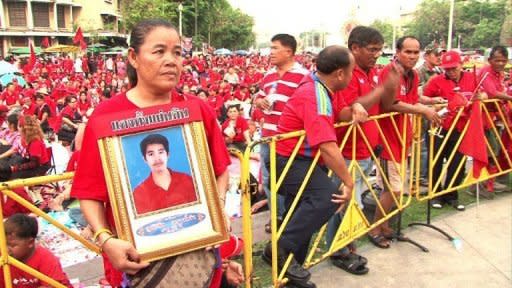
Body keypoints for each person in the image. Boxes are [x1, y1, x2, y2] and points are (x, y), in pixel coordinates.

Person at [70, 19, 233, 288]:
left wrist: (217, 211)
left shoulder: (197, 109)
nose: (172, 61)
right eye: (159, 52)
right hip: (138, 263)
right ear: (133, 57)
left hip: (199, 255)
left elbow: (220, 170)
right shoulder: (106, 116)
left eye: (178, 53)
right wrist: (105, 239)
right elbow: (89, 193)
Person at [261, 46, 363, 288]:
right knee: (328, 198)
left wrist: (356, 107)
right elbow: (328, 146)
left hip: (299, 160)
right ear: (339, 73)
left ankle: (290, 275)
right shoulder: (315, 94)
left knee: (299, 216)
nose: (352, 77)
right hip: (288, 161)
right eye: (351, 72)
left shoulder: (320, 84)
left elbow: (340, 114)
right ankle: (277, 250)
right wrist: (348, 181)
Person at [326, 26, 399, 275]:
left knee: (351, 202)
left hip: (365, 150)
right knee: (344, 203)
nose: (377, 54)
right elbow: (344, 113)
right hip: (347, 152)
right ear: (354, 48)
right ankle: (339, 250)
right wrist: (377, 92)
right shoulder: (345, 74)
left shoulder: (372, 73)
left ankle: (348, 245)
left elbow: (377, 108)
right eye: (372, 49)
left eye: (379, 49)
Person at [368, 36, 441, 248]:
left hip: (403, 138)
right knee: (394, 189)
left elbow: (412, 100)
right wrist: (421, 109)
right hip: (386, 139)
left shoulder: (413, 75)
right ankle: (375, 229)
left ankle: (384, 225)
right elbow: (389, 104)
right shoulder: (389, 72)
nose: (412, 56)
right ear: (397, 52)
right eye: (408, 52)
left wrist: (430, 104)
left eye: (416, 52)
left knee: (392, 188)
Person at [254, 34, 309, 232]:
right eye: (271, 48)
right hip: (267, 137)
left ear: (289, 51)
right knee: (269, 180)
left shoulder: (304, 76)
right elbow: (258, 98)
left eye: (275, 48)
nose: (271, 52)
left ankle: (289, 217)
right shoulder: (268, 76)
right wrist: (259, 102)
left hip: (288, 140)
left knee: (288, 180)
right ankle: (276, 216)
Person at [423, 50, 478, 211]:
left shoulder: (471, 78)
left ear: (461, 65)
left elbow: (480, 96)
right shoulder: (436, 81)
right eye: (447, 69)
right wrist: (436, 104)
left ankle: (452, 195)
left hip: (460, 128)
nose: (451, 72)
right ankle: (435, 195)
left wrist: (481, 97)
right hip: (439, 128)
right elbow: (424, 100)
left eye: (454, 68)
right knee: (436, 162)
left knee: (457, 163)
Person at [0, 213, 72, 287]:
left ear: (30, 242)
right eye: (3, 244)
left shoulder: (45, 258)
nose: (6, 249)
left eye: (12, 245)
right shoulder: (4, 257)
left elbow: (54, 285)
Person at [133, 134, 197, 214]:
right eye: (151, 154)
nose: (157, 158)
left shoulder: (187, 180)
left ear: (168, 154)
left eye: (160, 152)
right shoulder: (139, 193)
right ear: (145, 159)